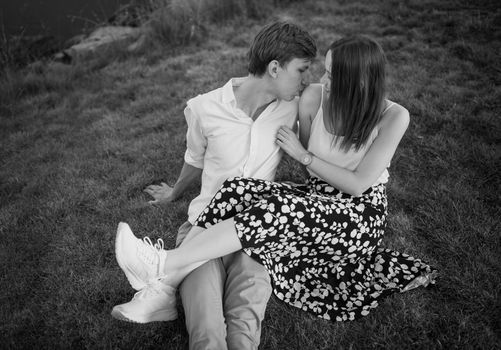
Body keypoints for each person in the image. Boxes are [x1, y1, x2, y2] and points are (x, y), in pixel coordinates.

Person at [113, 35, 437, 324]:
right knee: (236, 189)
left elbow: (357, 185)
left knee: (280, 206)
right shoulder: (313, 98)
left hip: (360, 217)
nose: (322, 80)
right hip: (318, 195)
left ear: (359, 82)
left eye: (332, 75)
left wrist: (303, 155)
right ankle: (163, 291)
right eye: (323, 70)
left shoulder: (394, 116)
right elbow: (309, 168)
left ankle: (162, 262)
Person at [111, 21, 317, 350]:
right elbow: (194, 159)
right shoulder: (204, 108)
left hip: (257, 231)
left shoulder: (294, 106)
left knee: (244, 322)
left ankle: (160, 282)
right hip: (201, 227)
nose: (308, 80)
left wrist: (303, 154)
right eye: (302, 70)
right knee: (205, 325)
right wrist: (174, 194)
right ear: (275, 68)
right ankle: (160, 291)